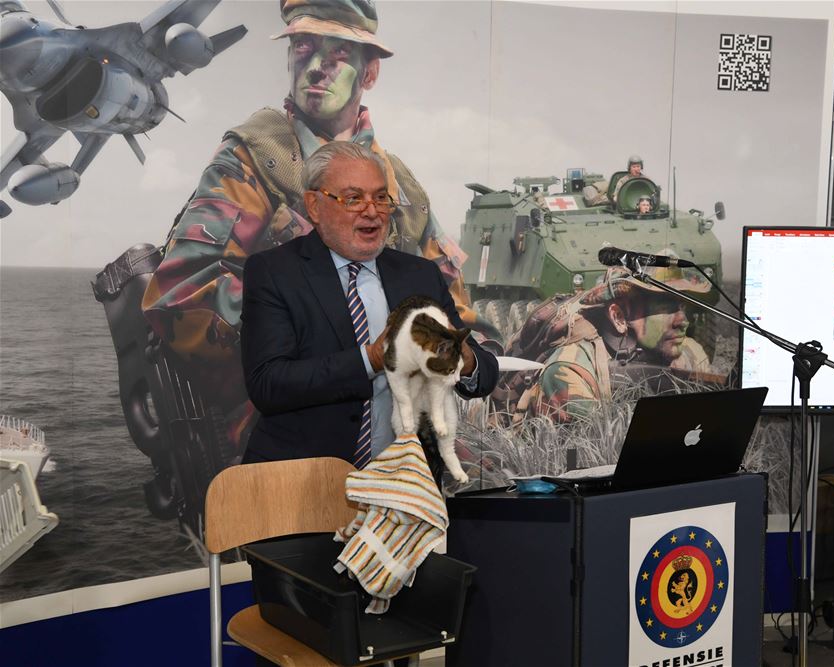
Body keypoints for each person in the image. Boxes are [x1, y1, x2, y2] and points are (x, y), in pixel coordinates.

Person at [141, 0, 488, 462]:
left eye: (339, 52)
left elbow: (456, 313)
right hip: (292, 433)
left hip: (404, 441)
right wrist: (337, 348)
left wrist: (469, 355)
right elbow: (183, 292)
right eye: (303, 46)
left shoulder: (401, 187)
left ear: (369, 73)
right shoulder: (256, 157)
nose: (316, 66)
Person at [240, 142, 499, 465]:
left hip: (405, 482)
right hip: (304, 479)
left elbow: (484, 375)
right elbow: (268, 384)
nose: (372, 211)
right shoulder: (275, 272)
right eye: (353, 199)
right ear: (314, 206)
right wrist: (371, 359)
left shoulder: (419, 274)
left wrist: (464, 357)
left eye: (380, 197)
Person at [505, 255, 716, 424]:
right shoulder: (568, 370)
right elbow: (594, 449)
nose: (683, 322)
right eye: (666, 309)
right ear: (619, 317)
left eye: (683, 308)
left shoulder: (691, 353)